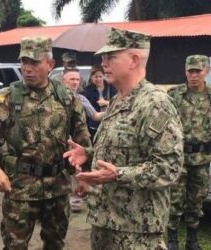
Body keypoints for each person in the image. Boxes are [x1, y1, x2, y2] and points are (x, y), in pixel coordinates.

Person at [63, 28, 184, 250]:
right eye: (103, 57)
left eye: (111, 57)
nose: (103, 63)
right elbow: (122, 151)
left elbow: (168, 168)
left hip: (136, 231)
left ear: (134, 59)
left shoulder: (154, 104)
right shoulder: (118, 100)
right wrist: (88, 154)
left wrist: (117, 174)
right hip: (105, 222)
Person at [0, 36, 92, 250]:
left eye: (34, 62)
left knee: (55, 244)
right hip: (21, 189)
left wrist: (82, 174)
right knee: (14, 246)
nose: (27, 68)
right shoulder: (10, 98)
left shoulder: (65, 97)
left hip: (57, 189)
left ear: (50, 64)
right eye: (24, 62)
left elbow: (81, 138)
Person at [167, 54, 211, 250]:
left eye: (198, 71)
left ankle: (192, 240)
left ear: (206, 71)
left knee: (196, 200)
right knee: (174, 200)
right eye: (190, 71)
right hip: (179, 158)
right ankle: (172, 240)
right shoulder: (174, 95)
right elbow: (161, 124)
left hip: (202, 159)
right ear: (185, 71)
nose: (194, 75)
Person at [61, 68, 104, 213]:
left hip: (76, 141)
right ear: (63, 80)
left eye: (77, 79)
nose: (75, 82)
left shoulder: (81, 99)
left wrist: (113, 109)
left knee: (77, 169)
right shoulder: (54, 98)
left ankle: (76, 201)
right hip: (59, 141)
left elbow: (96, 116)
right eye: (71, 79)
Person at [81, 65, 117, 140]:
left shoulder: (112, 87)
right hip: (94, 127)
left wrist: (106, 103)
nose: (98, 79)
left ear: (104, 76)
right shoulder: (87, 91)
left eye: (100, 76)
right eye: (96, 77)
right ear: (91, 77)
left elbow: (119, 102)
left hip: (110, 124)